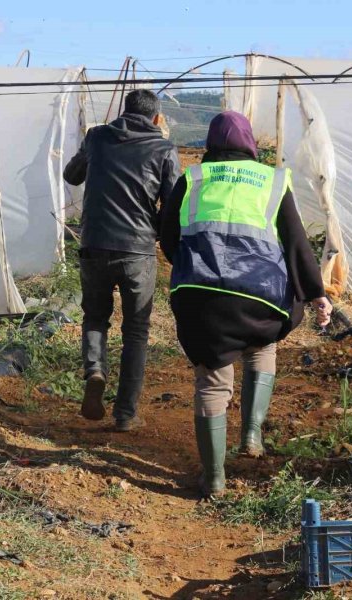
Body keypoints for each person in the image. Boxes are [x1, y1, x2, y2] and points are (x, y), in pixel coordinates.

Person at [160, 111, 332, 496]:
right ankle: (251, 436)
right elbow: (295, 242)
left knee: (212, 380)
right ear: (250, 143)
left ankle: (215, 479)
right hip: (260, 295)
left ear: (210, 143)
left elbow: (168, 235)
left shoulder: (193, 178)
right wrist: (316, 292)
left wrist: (191, 269)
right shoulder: (273, 180)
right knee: (262, 341)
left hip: (200, 297)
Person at [64, 89, 180, 432]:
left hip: (95, 243)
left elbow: (72, 176)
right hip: (138, 250)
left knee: (95, 317)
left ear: (122, 112)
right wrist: (158, 234)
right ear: (156, 119)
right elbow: (172, 206)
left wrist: (91, 151)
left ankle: (95, 371)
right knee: (136, 332)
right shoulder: (164, 149)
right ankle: (125, 414)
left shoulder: (98, 137)